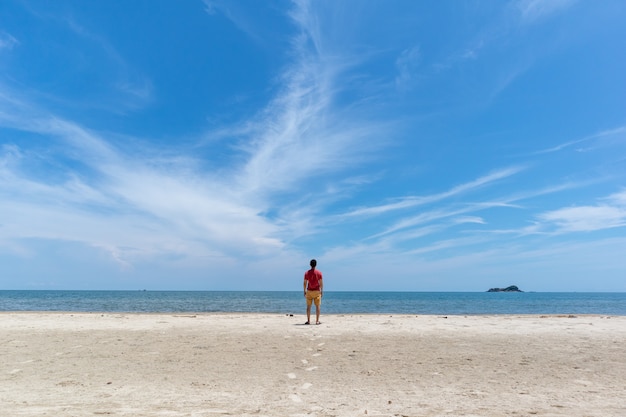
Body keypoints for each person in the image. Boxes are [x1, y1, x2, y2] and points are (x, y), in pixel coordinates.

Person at [303, 259, 323, 325]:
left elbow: (305, 283)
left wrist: (304, 290)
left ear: (310, 264)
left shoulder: (306, 273)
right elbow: (321, 283)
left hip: (309, 291)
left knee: (308, 306)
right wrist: (322, 290)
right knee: (317, 306)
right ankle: (317, 321)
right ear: (316, 265)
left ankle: (308, 321)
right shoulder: (319, 273)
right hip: (317, 291)